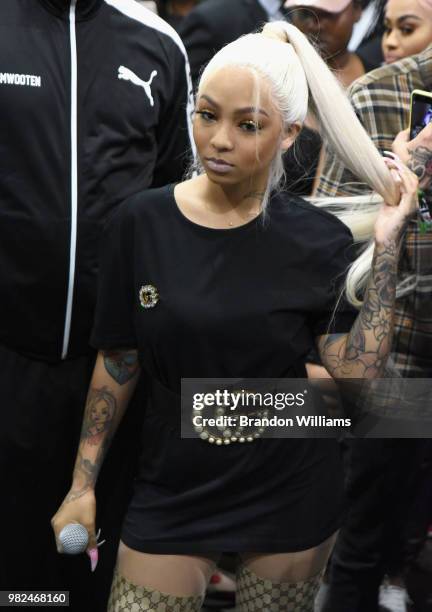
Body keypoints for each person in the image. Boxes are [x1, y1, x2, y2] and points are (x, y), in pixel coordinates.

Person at [52, 21, 418, 612]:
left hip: (290, 489)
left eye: (248, 125)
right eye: (206, 114)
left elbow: (360, 384)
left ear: (290, 133)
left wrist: (386, 249)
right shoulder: (138, 224)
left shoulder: (317, 241)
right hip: (171, 485)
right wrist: (82, 485)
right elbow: (119, 359)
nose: (218, 139)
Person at [0, 1, 193, 611]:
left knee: (87, 562)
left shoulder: (157, 44)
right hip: (9, 355)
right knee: (14, 565)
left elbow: (175, 196)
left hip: (115, 366)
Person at [316, 40, 432, 612]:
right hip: (392, 366)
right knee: (358, 547)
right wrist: (408, 181)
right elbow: (327, 255)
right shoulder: (378, 95)